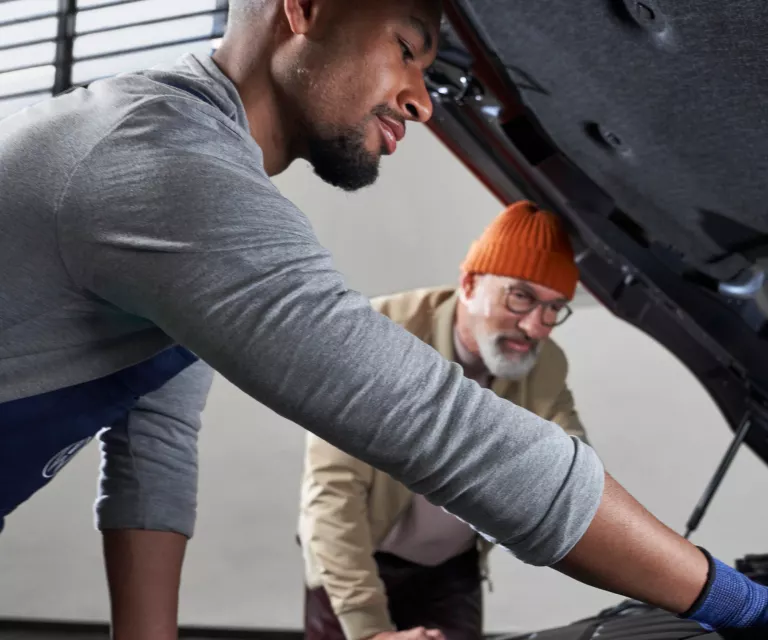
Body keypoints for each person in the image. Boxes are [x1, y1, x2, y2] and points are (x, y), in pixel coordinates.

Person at [0, 0, 765, 638]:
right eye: (405, 49)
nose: (424, 100)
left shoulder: (175, 175)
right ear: (303, 8)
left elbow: (153, 450)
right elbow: (442, 430)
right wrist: (745, 605)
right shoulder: (171, 169)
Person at [299, 201, 589, 640]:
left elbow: (574, 458)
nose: (535, 327)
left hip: (451, 567)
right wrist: (370, 630)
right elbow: (332, 493)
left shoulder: (546, 363)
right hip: (354, 555)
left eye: (554, 308)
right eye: (522, 296)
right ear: (470, 283)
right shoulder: (378, 333)